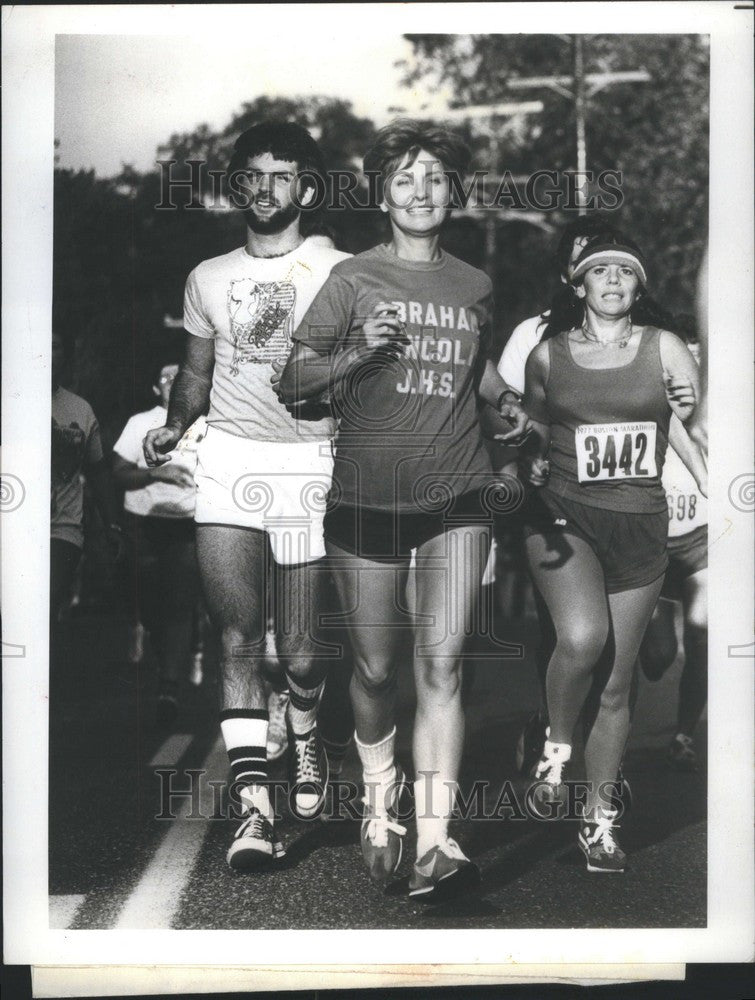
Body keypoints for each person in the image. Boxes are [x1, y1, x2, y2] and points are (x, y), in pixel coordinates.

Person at [280, 118, 529, 899]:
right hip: (367, 496)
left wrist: (511, 406)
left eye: (434, 178)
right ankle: (378, 795)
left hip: (459, 490)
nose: (420, 191)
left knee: (442, 665)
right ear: (380, 191)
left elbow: (476, 371)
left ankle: (434, 843)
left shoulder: (473, 283)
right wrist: (358, 352)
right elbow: (291, 380)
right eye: (404, 178)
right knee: (375, 667)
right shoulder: (353, 278)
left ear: (452, 191)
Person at [143, 121, 351, 870]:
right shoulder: (206, 276)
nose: (264, 188)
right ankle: (254, 814)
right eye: (251, 175)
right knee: (234, 640)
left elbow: (365, 372)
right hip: (229, 460)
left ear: (307, 188)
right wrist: (174, 427)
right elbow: (196, 374)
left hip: (309, 465)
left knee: (298, 654)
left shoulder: (342, 270)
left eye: (280, 175)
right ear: (239, 185)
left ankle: (304, 737)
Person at [520, 236, 700, 873]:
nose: (615, 280)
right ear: (579, 286)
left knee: (619, 686)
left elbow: (688, 415)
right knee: (582, 637)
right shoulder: (548, 356)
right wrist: (530, 453)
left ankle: (599, 823)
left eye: (627, 270)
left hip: (640, 522)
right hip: (564, 515)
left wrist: (690, 418)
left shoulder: (664, 346)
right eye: (601, 271)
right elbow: (534, 427)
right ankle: (556, 750)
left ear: (638, 286)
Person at [496, 214, 614, 776]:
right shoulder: (533, 334)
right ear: (568, 271)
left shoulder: (642, 332)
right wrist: (527, 456)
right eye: (580, 255)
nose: (592, 265)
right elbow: (507, 411)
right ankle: (554, 729)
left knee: (620, 644)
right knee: (565, 630)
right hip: (551, 502)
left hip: (626, 506)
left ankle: (576, 733)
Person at [113, 359, 201, 727]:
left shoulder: (206, 424)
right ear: (155, 388)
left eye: (181, 377)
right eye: (166, 376)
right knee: (149, 605)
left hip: (186, 526)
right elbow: (118, 475)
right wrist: (156, 472)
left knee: (179, 606)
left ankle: (169, 685)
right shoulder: (140, 423)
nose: (173, 381)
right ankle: (143, 627)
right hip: (143, 526)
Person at [639, 336, 708, 770]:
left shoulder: (718, 416)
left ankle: (684, 733)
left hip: (704, 542)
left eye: (699, 363)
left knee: (703, 634)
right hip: (657, 546)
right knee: (657, 658)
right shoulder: (650, 411)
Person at [51, 332, 123, 636]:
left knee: (44, 607)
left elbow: (98, 471)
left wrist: (112, 526)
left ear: (64, 356)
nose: (46, 352)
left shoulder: (80, 410)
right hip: (12, 525)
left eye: (54, 346)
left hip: (61, 529)